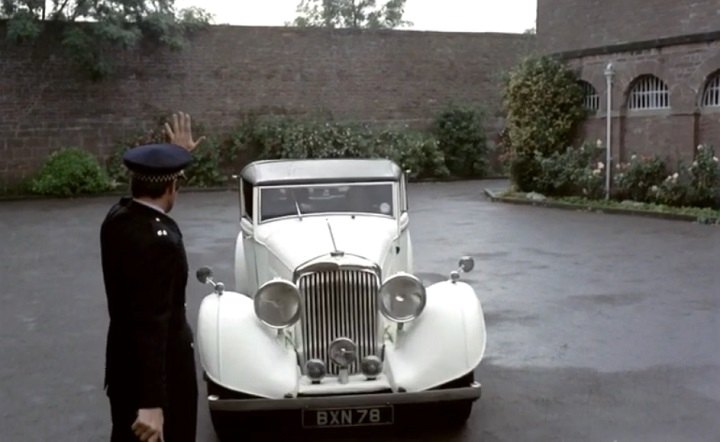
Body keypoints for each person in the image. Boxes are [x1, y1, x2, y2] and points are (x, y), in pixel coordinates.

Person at [100, 112, 205, 442]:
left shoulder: (119, 218)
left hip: (124, 368)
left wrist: (176, 158)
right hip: (160, 376)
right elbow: (151, 323)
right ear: (172, 187)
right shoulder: (158, 244)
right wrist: (152, 404)